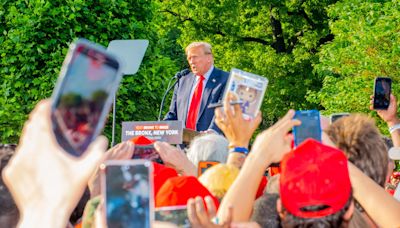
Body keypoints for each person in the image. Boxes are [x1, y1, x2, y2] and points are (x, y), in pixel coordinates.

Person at [164, 41, 229, 133]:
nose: (191, 61)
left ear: (209, 58)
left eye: (194, 57)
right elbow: (172, 114)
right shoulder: (182, 81)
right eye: (189, 58)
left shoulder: (225, 79)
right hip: (182, 145)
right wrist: (159, 129)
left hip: (211, 143)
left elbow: (224, 111)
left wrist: (212, 132)